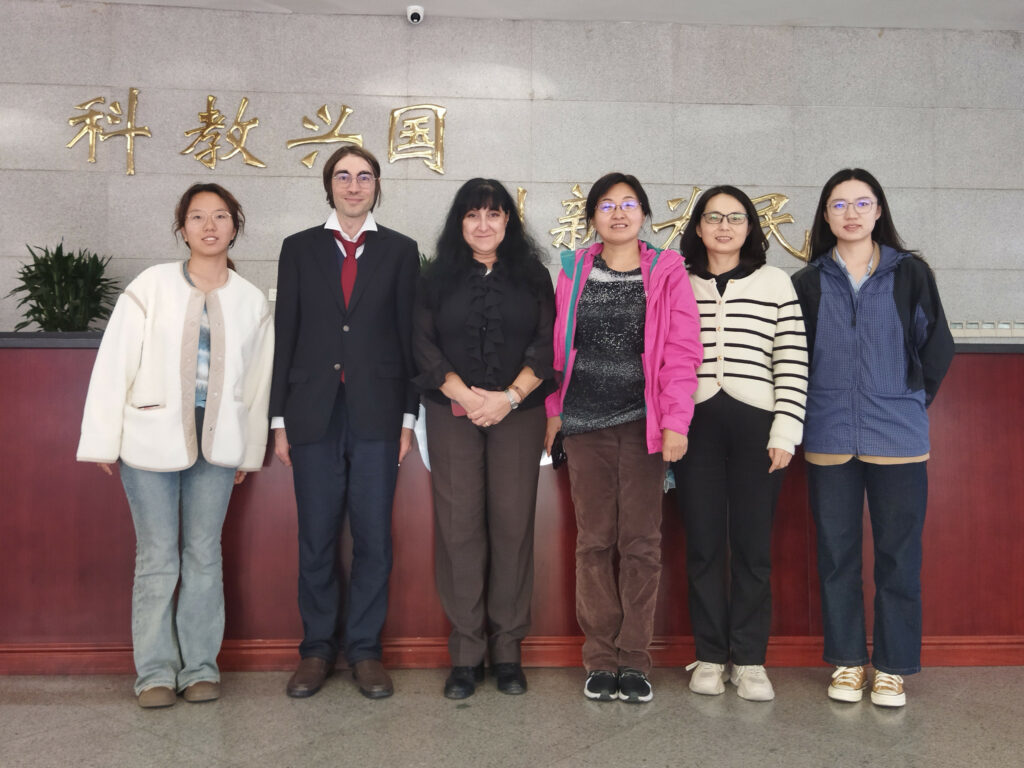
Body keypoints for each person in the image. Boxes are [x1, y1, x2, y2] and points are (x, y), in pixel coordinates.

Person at [76, 183, 274, 708]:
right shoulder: (151, 286)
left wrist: (247, 452)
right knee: (159, 556)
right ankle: (156, 673)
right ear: (181, 228)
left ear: (236, 225)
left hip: (219, 443)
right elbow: (115, 361)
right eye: (197, 217)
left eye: (220, 216)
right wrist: (102, 438)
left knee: (204, 555)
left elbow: (257, 387)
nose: (209, 226)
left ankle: (201, 667)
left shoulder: (252, 300)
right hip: (149, 440)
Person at [792, 168, 954, 708]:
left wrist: (907, 400)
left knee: (898, 556)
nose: (852, 213)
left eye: (863, 203)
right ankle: (847, 662)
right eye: (840, 204)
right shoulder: (809, 282)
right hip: (829, 433)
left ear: (879, 211)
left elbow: (937, 349)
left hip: (899, 438)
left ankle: (892, 667)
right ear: (826, 215)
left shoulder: (910, 273)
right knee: (837, 557)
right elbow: (796, 361)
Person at [544, 172, 702, 703]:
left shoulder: (668, 270)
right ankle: (600, 659)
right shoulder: (573, 269)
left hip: (643, 424)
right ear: (592, 217)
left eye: (629, 203)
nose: (618, 212)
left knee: (641, 543)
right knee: (593, 542)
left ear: (644, 214)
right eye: (607, 205)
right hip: (584, 424)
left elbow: (682, 351)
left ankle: (634, 659)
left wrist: (676, 421)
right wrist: (553, 412)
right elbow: (557, 347)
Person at [270, 145, 419, 700]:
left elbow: (409, 341)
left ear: (377, 185)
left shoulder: (401, 251)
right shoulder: (299, 248)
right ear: (328, 185)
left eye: (364, 177)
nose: (353, 186)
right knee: (317, 537)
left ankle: (364, 651)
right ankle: (315, 650)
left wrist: (408, 416)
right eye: (342, 176)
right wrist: (278, 419)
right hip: (312, 413)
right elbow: (287, 331)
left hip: (379, 414)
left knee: (374, 538)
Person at [413, 178, 555, 699]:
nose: (483, 224)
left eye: (494, 215)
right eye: (473, 215)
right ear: (459, 223)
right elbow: (421, 344)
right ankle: (468, 652)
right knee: (459, 527)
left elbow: (547, 346)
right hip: (453, 413)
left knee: (513, 525)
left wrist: (508, 398)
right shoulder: (435, 276)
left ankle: (509, 649)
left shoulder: (533, 275)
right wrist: (468, 397)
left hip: (519, 414)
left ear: (508, 223)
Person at [672, 186, 808, 701]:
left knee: (752, 549)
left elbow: (792, 360)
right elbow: (664, 358)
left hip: (759, 429)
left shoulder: (776, 283)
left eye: (735, 217)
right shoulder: (677, 281)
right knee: (703, 546)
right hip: (693, 427)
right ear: (698, 227)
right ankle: (709, 655)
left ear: (751, 226)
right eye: (713, 217)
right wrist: (670, 426)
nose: (724, 226)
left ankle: (750, 660)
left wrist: (786, 431)